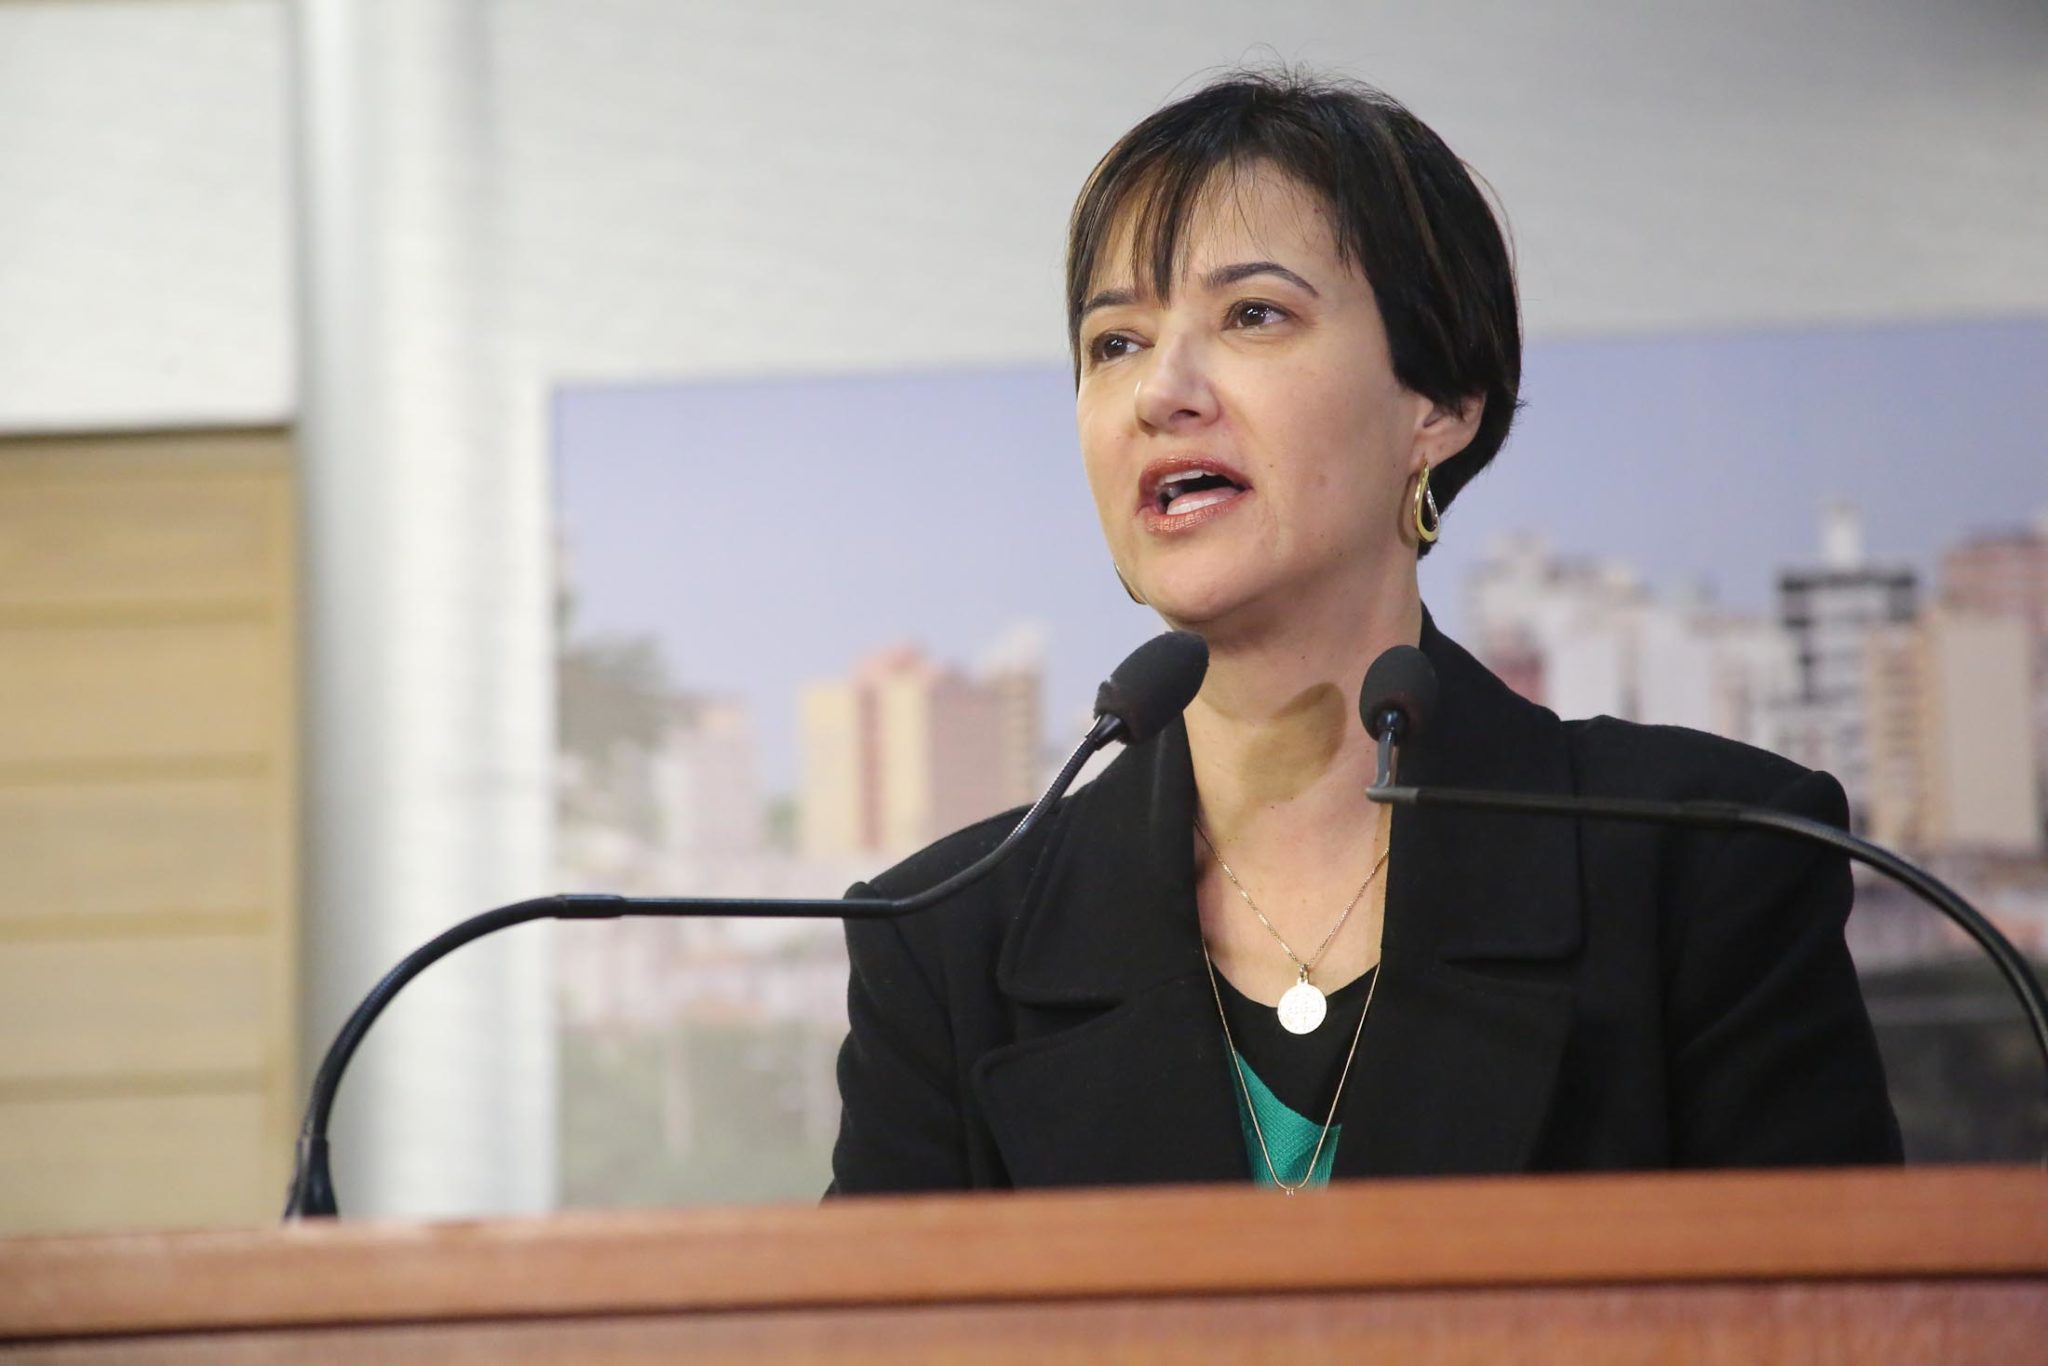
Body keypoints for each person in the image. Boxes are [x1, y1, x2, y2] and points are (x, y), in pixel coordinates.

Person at [828, 69, 1901, 1195]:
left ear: (1439, 404)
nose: (1160, 392)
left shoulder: (1706, 864)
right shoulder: (947, 941)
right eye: (1115, 343)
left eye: (1253, 315)